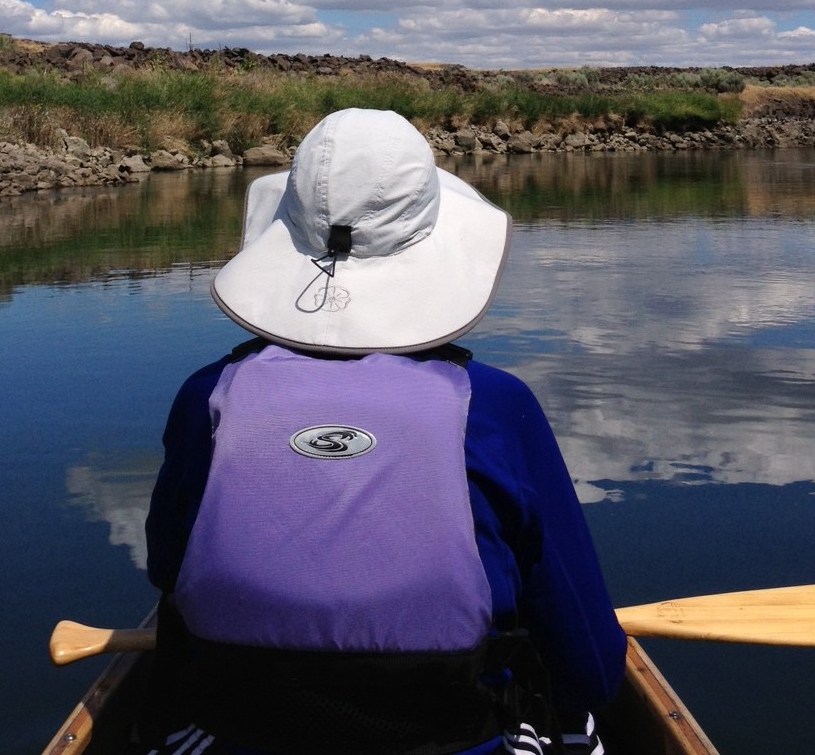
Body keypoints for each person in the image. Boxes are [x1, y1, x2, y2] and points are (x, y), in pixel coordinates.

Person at [142, 108, 626, 755]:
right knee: (576, 726)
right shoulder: (495, 407)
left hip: (238, 732)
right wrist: (578, 696)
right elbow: (588, 663)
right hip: (456, 734)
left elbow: (169, 571)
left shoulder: (206, 398)